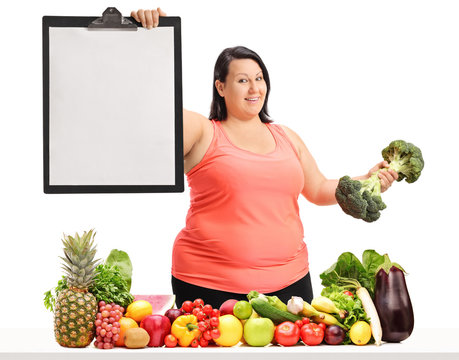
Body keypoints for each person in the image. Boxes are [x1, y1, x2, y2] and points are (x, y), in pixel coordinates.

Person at [131, 8, 399, 308]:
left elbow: (319, 188)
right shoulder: (202, 130)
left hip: (291, 282)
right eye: (243, 80)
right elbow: (151, 117)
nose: (255, 87)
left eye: (259, 78)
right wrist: (145, 38)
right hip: (209, 284)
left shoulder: (286, 136)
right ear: (220, 87)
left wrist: (367, 179)